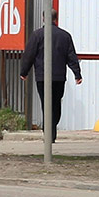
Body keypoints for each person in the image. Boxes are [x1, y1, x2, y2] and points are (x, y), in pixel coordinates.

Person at [19, 10, 83, 142]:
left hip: (42, 77)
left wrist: (24, 72)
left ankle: (48, 133)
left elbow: (29, 55)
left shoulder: (37, 35)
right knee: (56, 104)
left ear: (43, 18)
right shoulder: (65, 36)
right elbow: (71, 56)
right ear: (56, 18)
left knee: (45, 104)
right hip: (59, 77)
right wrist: (77, 74)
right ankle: (51, 130)